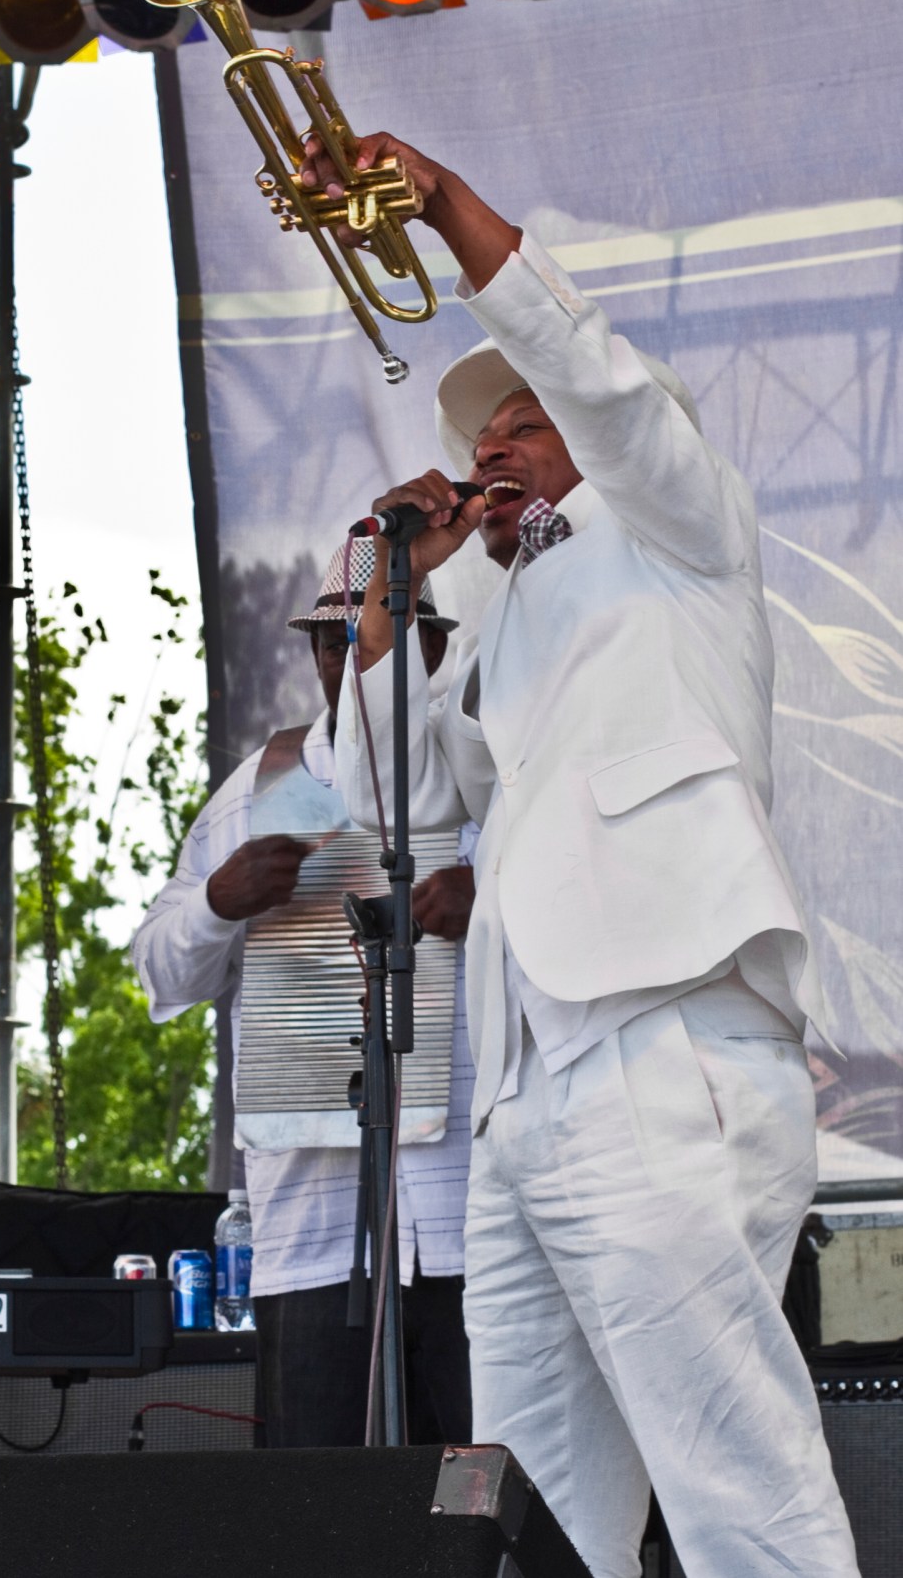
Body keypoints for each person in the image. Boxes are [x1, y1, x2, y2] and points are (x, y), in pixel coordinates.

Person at [310, 132, 862, 1577]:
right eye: (479, 438)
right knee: (528, 1511)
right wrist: (394, 610)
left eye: (521, 428)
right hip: (520, 1085)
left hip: (657, 1044)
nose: (487, 449)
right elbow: (387, 782)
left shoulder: (680, 526)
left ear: (601, 446)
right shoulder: (503, 614)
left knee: (730, 1469)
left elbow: (601, 378)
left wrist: (437, 207)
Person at [132, 541, 476, 1447]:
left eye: (376, 639)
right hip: (314, 1231)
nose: (349, 660)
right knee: (321, 1521)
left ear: (428, 651)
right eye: (334, 643)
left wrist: (494, 903)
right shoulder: (257, 794)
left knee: (498, 1504)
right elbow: (161, 974)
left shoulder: (483, 779)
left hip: (473, 1221)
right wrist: (216, 903)